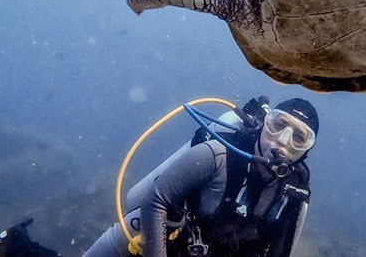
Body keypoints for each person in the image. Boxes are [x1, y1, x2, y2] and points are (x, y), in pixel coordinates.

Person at [83, 97, 319, 257]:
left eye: (299, 138)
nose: (282, 140)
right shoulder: (216, 155)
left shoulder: (292, 195)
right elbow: (156, 199)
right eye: (279, 125)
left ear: (306, 151)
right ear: (265, 124)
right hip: (160, 239)